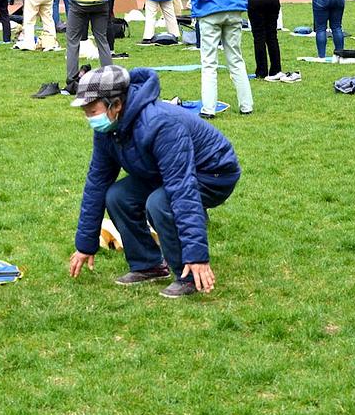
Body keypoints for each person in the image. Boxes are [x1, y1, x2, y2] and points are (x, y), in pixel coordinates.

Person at [68, 65, 241, 299]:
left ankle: (188, 275)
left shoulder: (161, 124)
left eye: (92, 110)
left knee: (160, 203)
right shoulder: (108, 129)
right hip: (162, 171)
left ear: (116, 104)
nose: (89, 118)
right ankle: (148, 265)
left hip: (214, 173)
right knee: (117, 197)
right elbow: (96, 183)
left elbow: (182, 188)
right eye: (85, 112)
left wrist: (197, 256)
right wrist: (85, 244)